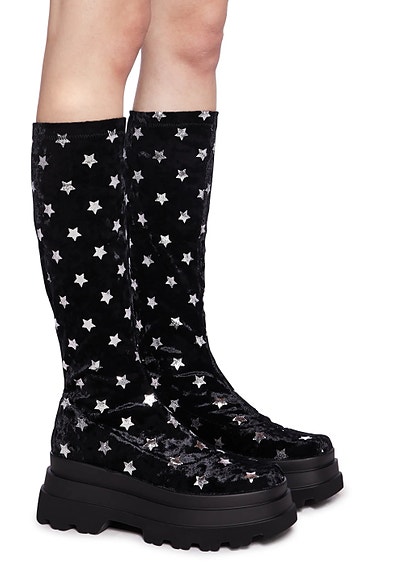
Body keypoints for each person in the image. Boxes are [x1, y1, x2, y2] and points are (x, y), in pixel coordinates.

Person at [32, 0, 342, 550]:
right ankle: (105, 405)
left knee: (194, 33)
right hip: (103, 399)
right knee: (102, 27)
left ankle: (175, 376)